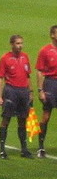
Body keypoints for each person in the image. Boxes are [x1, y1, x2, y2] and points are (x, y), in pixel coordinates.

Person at [0, 35, 33, 159]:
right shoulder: (5, 58)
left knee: (22, 120)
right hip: (11, 90)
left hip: (23, 91)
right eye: (17, 43)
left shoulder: (25, 56)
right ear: (11, 44)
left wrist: (31, 92)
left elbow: (28, 75)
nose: (20, 46)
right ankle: (2, 150)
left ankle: (24, 149)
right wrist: (0, 96)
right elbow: (0, 78)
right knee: (6, 119)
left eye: (21, 43)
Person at [36, 25, 57, 158]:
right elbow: (39, 70)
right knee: (46, 116)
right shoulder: (45, 51)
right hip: (50, 83)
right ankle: (41, 147)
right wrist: (40, 90)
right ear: (52, 35)